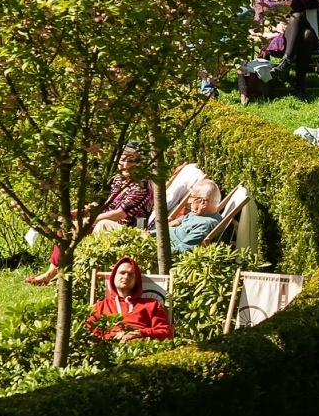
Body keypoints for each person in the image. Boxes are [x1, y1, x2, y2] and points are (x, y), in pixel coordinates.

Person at [25, 143, 153, 285]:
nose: (124, 165)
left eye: (130, 161)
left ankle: (66, 276)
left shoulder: (141, 186)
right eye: (122, 160)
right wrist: (77, 213)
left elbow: (119, 214)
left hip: (126, 228)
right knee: (65, 225)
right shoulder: (119, 180)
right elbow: (104, 203)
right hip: (105, 220)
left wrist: (90, 220)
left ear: (140, 163)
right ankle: (53, 273)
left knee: (88, 225)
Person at [241, 0, 318, 102]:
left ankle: (286, 63)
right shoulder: (262, 0)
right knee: (308, 35)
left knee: (296, 17)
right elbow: (257, 27)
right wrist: (275, 28)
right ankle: (300, 87)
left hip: (295, 39)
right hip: (277, 41)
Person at [87, 257, 173, 342]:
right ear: (113, 277)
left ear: (137, 280)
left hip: (142, 351)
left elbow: (166, 333)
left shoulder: (152, 305)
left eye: (131, 274)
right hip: (110, 351)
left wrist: (139, 333)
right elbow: (89, 335)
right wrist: (113, 337)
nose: (126, 277)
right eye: (122, 273)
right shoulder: (100, 307)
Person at [168, 179, 223, 255]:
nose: (189, 202)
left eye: (193, 198)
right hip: (161, 238)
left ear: (203, 202)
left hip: (165, 248)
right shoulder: (198, 213)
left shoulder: (205, 225)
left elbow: (182, 250)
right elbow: (176, 222)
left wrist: (154, 247)